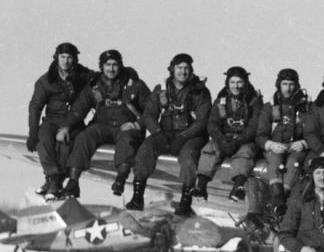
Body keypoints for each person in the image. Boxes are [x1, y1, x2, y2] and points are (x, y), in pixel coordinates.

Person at [130, 53, 212, 214]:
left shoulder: (200, 92)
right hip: (165, 133)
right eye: (179, 68)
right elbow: (149, 114)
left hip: (192, 136)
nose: (183, 71)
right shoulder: (161, 90)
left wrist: (183, 137)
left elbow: (202, 121)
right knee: (145, 150)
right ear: (172, 69)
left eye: (186, 68)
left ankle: (185, 201)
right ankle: (137, 196)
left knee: (189, 158)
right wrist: (157, 132)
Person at [64, 49, 147, 199]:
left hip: (126, 126)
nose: (111, 69)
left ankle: (121, 178)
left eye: (115, 64)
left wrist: (138, 124)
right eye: (107, 65)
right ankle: (73, 181)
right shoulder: (94, 86)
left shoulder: (135, 85)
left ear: (120, 65)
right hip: (103, 125)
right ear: (101, 66)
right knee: (85, 137)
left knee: (127, 139)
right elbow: (78, 109)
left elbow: (151, 110)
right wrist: (66, 127)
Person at [27, 42, 94, 199]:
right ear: (56, 58)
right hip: (52, 119)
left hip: (74, 121)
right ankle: (53, 178)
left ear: (75, 59)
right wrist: (33, 132)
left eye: (69, 57)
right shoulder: (45, 80)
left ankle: (54, 183)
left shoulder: (84, 76)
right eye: (62, 57)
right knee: (44, 138)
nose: (66, 61)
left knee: (68, 143)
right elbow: (35, 107)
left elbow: (103, 76)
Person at [195, 66, 262, 203]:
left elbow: (253, 126)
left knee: (244, 153)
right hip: (224, 138)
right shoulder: (221, 100)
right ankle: (201, 185)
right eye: (232, 82)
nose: (236, 86)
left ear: (246, 83)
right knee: (210, 149)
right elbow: (212, 124)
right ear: (227, 83)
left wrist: (238, 141)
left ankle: (238, 186)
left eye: (239, 82)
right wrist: (221, 140)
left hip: (244, 140)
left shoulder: (254, 101)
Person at [256, 68, 310, 213]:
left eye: (291, 84)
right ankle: (277, 197)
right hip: (276, 146)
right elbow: (260, 135)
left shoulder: (306, 107)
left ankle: (284, 197)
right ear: (279, 85)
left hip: (296, 147)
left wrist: (304, 143)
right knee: (275, 161)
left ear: (297, 85)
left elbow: (313, 131)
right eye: (284, 84)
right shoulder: (270, 106)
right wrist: (270, 144)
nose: (288, 88)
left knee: (294, 163)